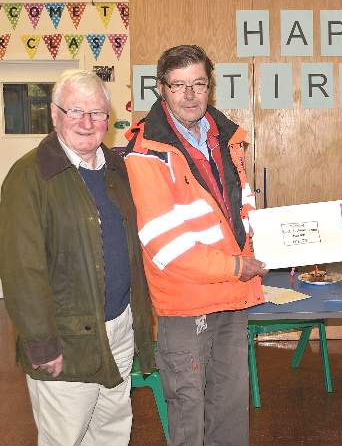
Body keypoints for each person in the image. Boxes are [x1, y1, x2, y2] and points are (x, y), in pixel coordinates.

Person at [0, 70, 155, 446]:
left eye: (97, 113)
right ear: (54, 115)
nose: (87, 123)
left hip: (118, 329)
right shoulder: (29, 177)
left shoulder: (117, 169)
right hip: (66, 341)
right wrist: (41, 344)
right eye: (76, 111)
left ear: (108, 118)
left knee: (111, 431)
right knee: (65, 437)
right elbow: (22, 271)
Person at [123, 44, 267, 446]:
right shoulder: (146, 153)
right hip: (187, 301)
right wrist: (239, 267)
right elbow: (166, 245)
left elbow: (242, 209)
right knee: (189, 412)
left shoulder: (225, 138)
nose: (189, 94)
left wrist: (273, 240)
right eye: (179, 85)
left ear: (210, 87)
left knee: (230, 406)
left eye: (198, 84)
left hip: (232, 294)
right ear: (161, 89)